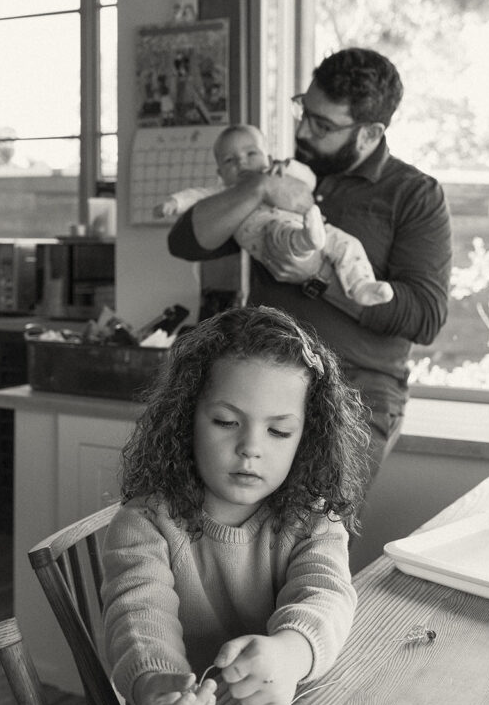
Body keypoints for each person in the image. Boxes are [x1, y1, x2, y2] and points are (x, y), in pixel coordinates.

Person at [168, 47, 453, 486]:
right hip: (260, 378)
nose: (303, 129)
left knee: (312, 532)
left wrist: (317, 280)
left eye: (323, 125)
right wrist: (260, 187)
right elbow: (186, 239)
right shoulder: (284, 174)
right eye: (304, 110)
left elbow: (425, 316)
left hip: (355, 391)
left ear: (370, 132)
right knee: (216, 525)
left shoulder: (414, 195)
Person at [101, 305, 369, 705]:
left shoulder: (313, 519)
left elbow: (327, 595)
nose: (250, 448)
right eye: (226, 422)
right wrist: (156, 689)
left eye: (279, 432)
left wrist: (292, 652)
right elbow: (138, 617)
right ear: (186, 418)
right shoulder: (145, 524)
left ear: (307, 438)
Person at [155, 123, 393, 307]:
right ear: (220, 173)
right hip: (267, 233)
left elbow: (308, 180)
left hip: (307, 223)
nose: (242, 163)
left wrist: (287, 168)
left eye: (251, 154)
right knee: (282, 235)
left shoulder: (280, 174)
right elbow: (194, 198)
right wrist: (173, 202)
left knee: (347, 243)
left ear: (269, 159)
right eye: (230, 160)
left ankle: (362, 285)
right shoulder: (224, 192)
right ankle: (307, 239)